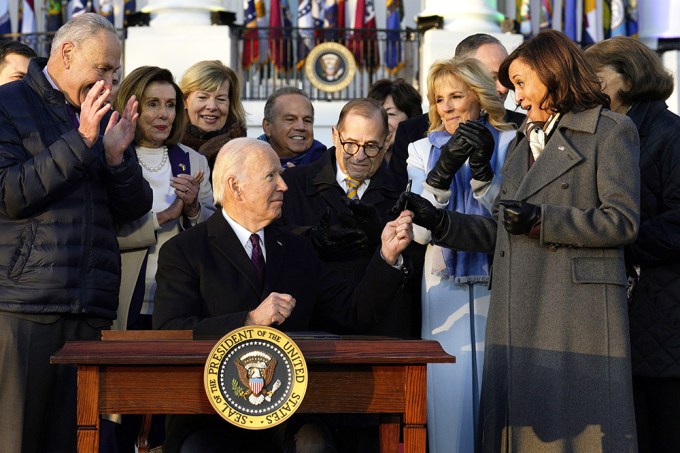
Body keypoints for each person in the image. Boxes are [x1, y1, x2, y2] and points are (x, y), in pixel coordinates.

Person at [392, 29, 640, 452]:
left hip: (577, 313)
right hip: (519, 304)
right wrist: (442, 222)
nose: (514, 96)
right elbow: (503, 226)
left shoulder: (611, 130)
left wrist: (544, 220)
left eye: (522, 83)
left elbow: (621, 221)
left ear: (553, 76)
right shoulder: (524, 140)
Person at [152, 137, 413, 452]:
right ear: (235, 187)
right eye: (270, 176)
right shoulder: (185, 250)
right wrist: (249, 321)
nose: (284, 186)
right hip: (209, 414)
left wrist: (386, 257)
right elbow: (171, 332)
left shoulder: (296, 249)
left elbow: (354, 311)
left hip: (292, 414)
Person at [0, 13, 152, 453]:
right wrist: (82, 140)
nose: (109, 80)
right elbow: (10, 193)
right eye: (102, 68)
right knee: (17, 440)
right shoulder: (9, 104)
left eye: (114, 71)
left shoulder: (103, 115)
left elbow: (134, 209)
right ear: (66, 53)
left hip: (89, 308)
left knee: (77, 442)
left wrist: (119, 159)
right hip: (25, 308)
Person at [406, 56, 516, 453]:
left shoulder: (510, 141)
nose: (447, 107)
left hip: (499, 277)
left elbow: (511, 220)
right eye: (439, 99)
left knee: (497, 390)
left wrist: (485, 176)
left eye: (456, 96)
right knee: (447, 395)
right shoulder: (420, 148)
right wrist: (442, 172)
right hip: (442, 281)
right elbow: (419, 232)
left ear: (481, 98)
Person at [585, 37, 680, 453]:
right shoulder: (613, 134)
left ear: (628, 76)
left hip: (664, 314)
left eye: (597, 79)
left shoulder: (668, 134)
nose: (589, 90)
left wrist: (616, 237)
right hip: (631, 314)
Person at [281, 97, 422, 339]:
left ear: (387, 142)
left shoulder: (404, 194)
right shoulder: (293, 185)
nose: (358, 156)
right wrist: (309, 236)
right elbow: (271, 243)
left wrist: (381, 246)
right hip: (311, 335)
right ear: (335, 135)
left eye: (371, 146)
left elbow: (415, 269)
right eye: (350, 144)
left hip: (381, 335)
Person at [389, 33, 525, 187]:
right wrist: (440, 173)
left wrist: (484, 175)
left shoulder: (520, 130)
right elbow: (401, 201)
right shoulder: (414, 135)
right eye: (491, 78)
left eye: (505, 77)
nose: (503, 88)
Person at [179, 60, 247, 171]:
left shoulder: (245, 151)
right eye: (202, 97)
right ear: (185, 101)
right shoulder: (166, 146)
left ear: (230, 104)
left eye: (221, 99)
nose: (212, 107)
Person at [259, 86, 327, 168]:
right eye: (290, 119)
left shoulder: (327, 165)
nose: (301, 127)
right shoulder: (247, 161)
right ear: (267, 127)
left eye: (307, 120)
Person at [367, 78, 422, 162]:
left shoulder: (425, 159)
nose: (381, 122)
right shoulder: (360, 162)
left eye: (390, 114)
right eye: (375, 114)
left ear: (411, 118)